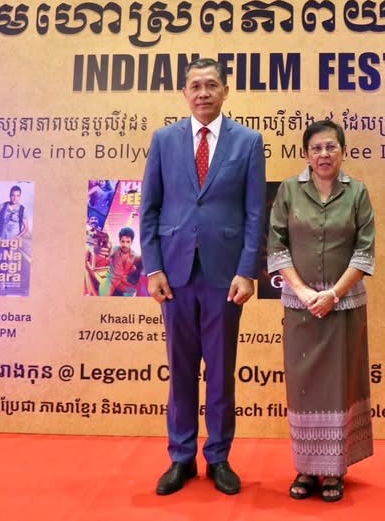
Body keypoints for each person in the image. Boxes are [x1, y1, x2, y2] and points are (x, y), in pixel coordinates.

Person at [139, 57, 266, 496]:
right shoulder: (164, 140)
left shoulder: (248, 141)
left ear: (225, 91)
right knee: (180, 370)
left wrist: (247, 271)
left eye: (212, 85)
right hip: (174, 273)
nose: (203, 93)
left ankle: (218, 458)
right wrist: (153, 267)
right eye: (195, 86)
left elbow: (255, 213)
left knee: (221, 371)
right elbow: (149, 209)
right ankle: (181, 457)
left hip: (224, 275)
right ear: (185, 93)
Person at [267, 120, 375, 504]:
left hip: (344, 307)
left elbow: (365, 252)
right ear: (306, 154)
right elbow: (276, 246)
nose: (324, 154)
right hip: (300, 308)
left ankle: (334, 469)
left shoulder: (357, 192)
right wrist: (303, 292)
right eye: (316, 148)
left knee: (339, 385)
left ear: (343, 151)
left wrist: (332, 294)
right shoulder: (289, 191)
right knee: (304, 386)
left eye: (331, 147)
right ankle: (306, 467)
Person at [100, 227, 140, 296]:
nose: (125, 245)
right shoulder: (114, 249)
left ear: (132, 242)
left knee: (132, 294)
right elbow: (108, 250)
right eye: (123, 241)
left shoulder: (135, 256)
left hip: (124, 283)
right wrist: (105, 247)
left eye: (128, 242)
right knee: (104, 296)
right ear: (119, 241)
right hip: (110, 280)